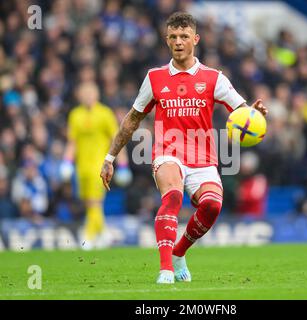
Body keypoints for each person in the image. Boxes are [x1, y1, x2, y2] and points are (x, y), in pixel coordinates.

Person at [100, 12, 268, 284]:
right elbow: (133, 118)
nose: (178, 42)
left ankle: (179, 253)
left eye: (184, 37)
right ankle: (165, 269)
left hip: (203, 157)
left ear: (196, 39)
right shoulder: (154, 78)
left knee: (212, 206)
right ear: (167, 40)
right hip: (167, 153)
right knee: (173, 197)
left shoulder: (214, 78)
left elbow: (241, 110)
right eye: (173, 37)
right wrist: (110, 156)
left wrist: (254, 114)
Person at [61, 81, 132, 250]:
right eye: (84, 93)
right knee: (89, 203)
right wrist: (66, 162)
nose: (87, 96)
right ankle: (104, 233)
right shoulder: (75, 115)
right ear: (79, 95)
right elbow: (72, 142)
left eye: (90, 93)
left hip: (99, 166)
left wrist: (123, 164)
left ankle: (88, 236)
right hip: (81, 168)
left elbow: (117, 139)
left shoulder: (105, 114)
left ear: (97, 94)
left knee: (94, 202)